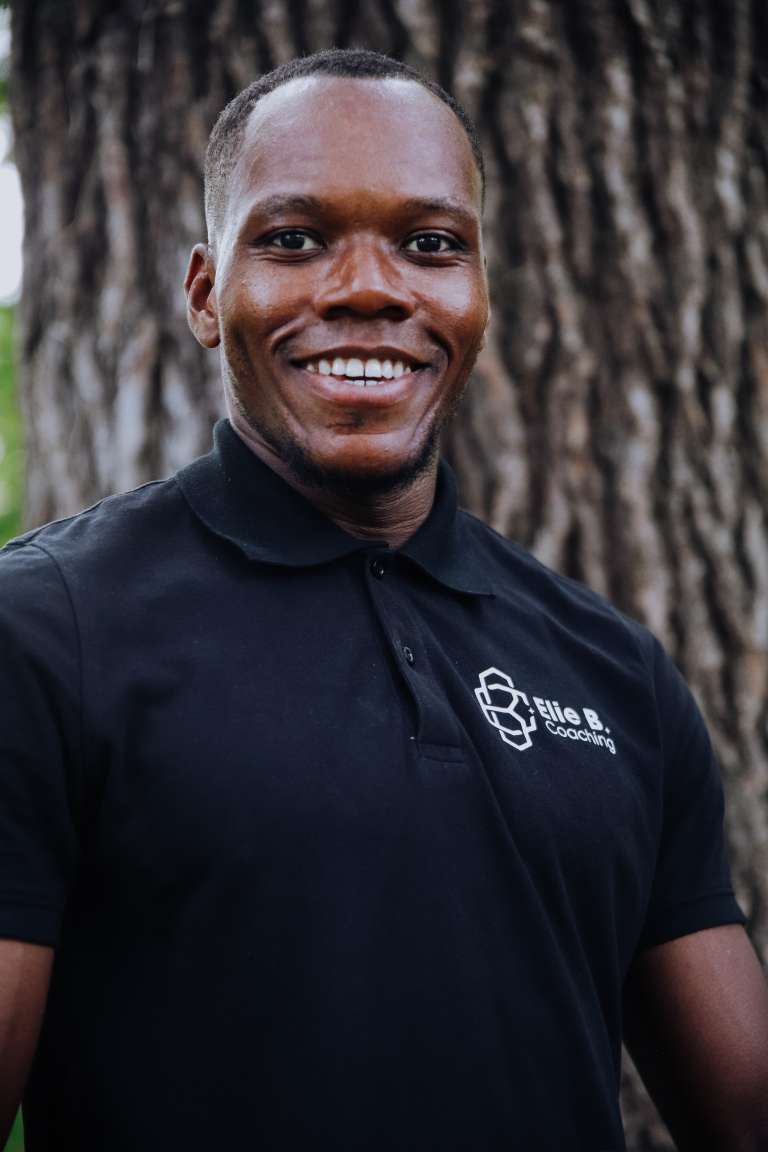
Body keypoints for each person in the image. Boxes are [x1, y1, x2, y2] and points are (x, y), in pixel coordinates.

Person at [1, 47, 767, 1152]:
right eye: (296, 239)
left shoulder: (614, 670)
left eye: (431, 244)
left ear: (478, 296)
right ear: (209, 294)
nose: (370, 287)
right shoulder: (43, 630)